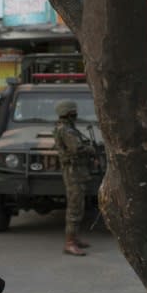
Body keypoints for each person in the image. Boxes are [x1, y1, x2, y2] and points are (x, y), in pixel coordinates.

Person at [53, 100, 95, 256]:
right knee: (74, 207)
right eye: (74, 112)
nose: (76, 114)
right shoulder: (66, 130)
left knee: (79, 205)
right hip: (73, 172)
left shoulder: (68, 128)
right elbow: (76, 148)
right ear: (68, 113)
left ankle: (74, 238)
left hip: (77, 171)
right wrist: (90, 149)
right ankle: (69, 243)